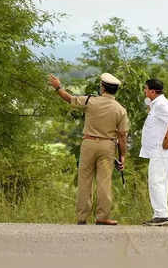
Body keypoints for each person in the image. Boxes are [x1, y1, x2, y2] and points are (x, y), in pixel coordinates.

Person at [49, 73, 129, 225]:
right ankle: (102, 217)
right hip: (108, 146)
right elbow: (122, 136)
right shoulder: (120, 110)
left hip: (88, 144)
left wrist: (58, 87)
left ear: (102, 87)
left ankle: (82, 217)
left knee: (84, 180)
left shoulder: (90, 101)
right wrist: (122, 156)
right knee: (104, 182)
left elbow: (68, 98)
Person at [140, 79, 168, 226]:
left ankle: (162, 215)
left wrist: (166, 139)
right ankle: (161, 214)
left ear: (153, 91)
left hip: (161, 150)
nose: (144, 91)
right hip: (158, 150)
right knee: (159, 182)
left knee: (156, 182)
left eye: (146, 89)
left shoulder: (161, 104)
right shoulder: (157, 103)